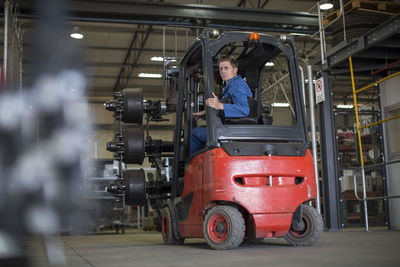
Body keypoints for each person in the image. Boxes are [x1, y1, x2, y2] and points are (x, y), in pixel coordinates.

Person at [189, 56, 253, 156]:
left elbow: (244, 109)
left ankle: (191, 166)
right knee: (202, 130)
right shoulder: (230, 86)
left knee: (194, 134)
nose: (223, 71)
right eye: (221, 69)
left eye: (226, 68)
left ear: (235, 69)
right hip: (229, 127)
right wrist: (204, 112)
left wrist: (219, 105)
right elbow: (227, 104)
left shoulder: (237, 85)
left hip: (231, 130)